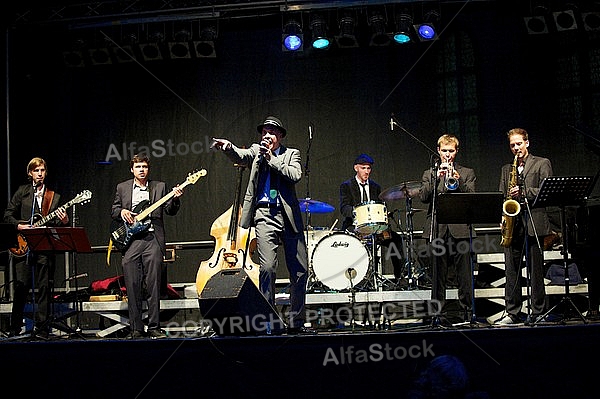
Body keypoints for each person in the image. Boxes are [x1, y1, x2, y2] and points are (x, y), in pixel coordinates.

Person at [212, 116, 313, 334]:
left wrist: (271, 159)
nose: (267, 136)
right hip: (264, 215)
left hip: (288, 216)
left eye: (272, 132)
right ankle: (271, 322)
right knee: (267, 268)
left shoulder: (290, 154)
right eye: (264, 132)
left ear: (280, 136)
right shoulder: (257, 151)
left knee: (300, 271)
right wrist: (227, 147)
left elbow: (295, 175)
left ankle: (296, 322)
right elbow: (241, 155)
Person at [110, 153, 183, 339]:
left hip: (152, 239)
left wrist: (175, 199)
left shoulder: (159, 187)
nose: (142, 170)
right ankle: (135, 328)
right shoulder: (122, 187)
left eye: (144, 167)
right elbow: (114, 211)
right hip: (132, 241)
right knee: (132, 285)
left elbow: (169, 210)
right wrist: (123, 211)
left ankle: (154, 326)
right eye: (138, 167)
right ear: (132, 169)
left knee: (154, 285)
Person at [3, 157, 70, 338]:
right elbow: (8, 215)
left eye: (42, 170)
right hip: (23, 245)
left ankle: (42, 328)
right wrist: (19, 225)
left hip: (44, 246)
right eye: (36, 171)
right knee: (21, 286)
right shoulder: (22, 193)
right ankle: (15, 327)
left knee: (43, 288)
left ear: (45, 172)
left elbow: (56, 223)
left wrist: (64, 220)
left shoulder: (53, 197)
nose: (39, 174)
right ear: (30, 174)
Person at [495, 128, 552, 325]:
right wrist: (503, 218)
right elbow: (503, 196)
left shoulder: (542, 163)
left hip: (533, 222)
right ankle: (512, 312)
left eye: (519, 143)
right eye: (512, 145)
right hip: (513, 224)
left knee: (536, 271)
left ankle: (538, 311)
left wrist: (524, 192)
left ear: (527, 143)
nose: (516, 148)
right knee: (511, 271)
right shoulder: (506, 169)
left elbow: (547, 189)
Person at [420, 134, 476, 323]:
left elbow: (472, 197)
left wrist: (458, 181)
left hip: (460, 229)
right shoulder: (429, 174)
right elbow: (424, 197)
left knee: (465, 275)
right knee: (438, 277)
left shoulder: (467, 172)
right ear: (438, 151)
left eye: (451, 151)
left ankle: (467, 313)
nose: (447, 155)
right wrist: (437, 178)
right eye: (444, 151)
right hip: (438, 228)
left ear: (456, 151)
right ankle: (438, 315)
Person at [339, 153, 404, 286]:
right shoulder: (346, 185)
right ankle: (354, 280)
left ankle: (399, 277)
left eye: (368, 168)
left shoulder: (375, 186)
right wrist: (357, 212)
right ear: (356, 168)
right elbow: (344, 208)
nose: (366, 171)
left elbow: (379, 206)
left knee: (395, 240)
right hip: (355, 226)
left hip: (375, 228)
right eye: (363, 168)